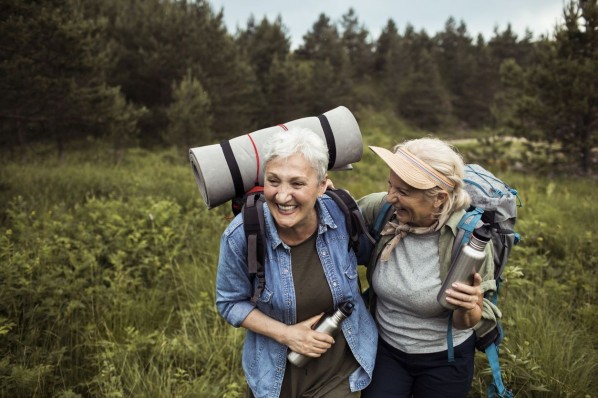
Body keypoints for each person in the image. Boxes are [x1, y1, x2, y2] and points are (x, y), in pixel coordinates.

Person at [215, 127, 377, 398]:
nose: (282, 196)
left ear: (323, 185)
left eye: (297, 183)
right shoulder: (243, 234)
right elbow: (229, 302)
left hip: (339, 375)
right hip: (273, 378)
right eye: (274, 181)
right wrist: (287, 334)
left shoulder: (342, 217)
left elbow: (371, 260)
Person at [358, 138, 498, 398]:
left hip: (445, 358)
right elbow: (332, 219)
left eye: (404, 191)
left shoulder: (470, 239)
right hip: (386, 350)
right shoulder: (383, 210)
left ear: (439, 198)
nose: (391, 196)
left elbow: (465, 322)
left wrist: (469, 307)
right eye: (391, 185)